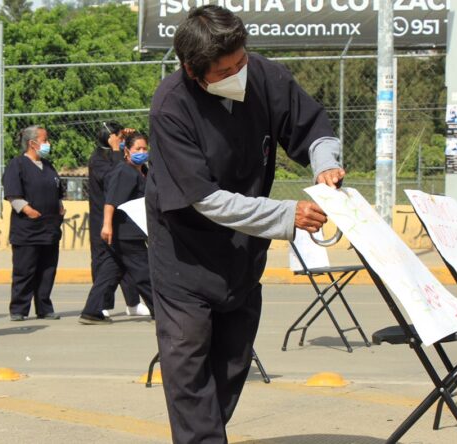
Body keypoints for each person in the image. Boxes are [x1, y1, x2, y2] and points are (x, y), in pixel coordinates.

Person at [146, 6, 344, 443]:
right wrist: (286, 216)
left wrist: (325, 164)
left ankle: (208, 433)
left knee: (233, 362)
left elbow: (315, 129)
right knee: (188, 365)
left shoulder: (265, 77)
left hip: (243, 251)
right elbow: (205, 199)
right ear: (193, 71)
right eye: (225, 71)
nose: (239, 74)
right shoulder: (171, 107)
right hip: (185, 257)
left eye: (242, 62)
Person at [80, 132, 155, 325]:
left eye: (144, 148)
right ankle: (161, 309)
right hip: (125, 233)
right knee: (144, 271)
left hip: (130, 231)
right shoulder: (125, 172)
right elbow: (111, 201)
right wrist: (106, 226)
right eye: (137, 148)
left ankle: (92, 310)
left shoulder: (142, 171)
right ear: (127, 151)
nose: (142, 152)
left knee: (110, 272)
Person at [2, 125, 65, 321]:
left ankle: (44, 307)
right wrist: (27, 210)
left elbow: (57, 191)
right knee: (25, 270)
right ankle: (19, 309)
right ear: (32, 143)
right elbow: (13, 194)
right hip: (28, 229)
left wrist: (60, 206)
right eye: (44, 140)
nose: (48, 144)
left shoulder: (48, 166)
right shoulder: (18, 164)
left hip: (49, 228)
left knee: (47, 270)